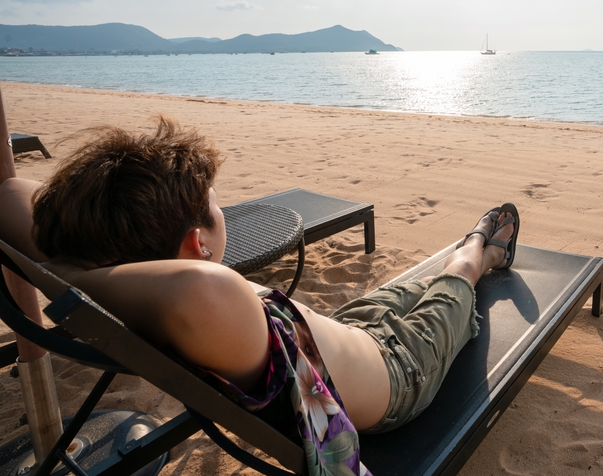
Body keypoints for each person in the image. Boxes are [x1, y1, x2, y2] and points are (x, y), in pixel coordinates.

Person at [0, 116, 520, 476]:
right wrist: (73, 275)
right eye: (217, 205)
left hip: (344, 329)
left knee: (412, 288)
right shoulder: (209, 301)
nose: (223, 212)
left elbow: (9, 196)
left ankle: (460, 255)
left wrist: (61, 268)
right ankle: (478, 248)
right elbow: (206, 284)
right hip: (400, 374)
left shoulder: (149, 293)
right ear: (197, 244)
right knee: (456, 282)